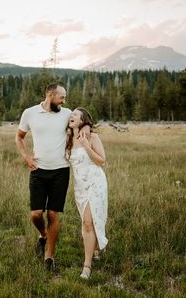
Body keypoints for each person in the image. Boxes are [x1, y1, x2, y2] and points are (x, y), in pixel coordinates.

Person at [16, 83, 89, 272]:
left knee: (53, 214)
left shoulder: (66, 114)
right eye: (61, 97)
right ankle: (43, 234)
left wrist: (85, 129)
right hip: (38, 170)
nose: (64, 101)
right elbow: (19, 137)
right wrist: (26, 157)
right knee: (35, 214)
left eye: (64, 98)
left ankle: (49, 257)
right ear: (50, 94)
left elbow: (85, 121)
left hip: (60, 171)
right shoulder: (30, 113)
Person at [66, 107, 108, 279]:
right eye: (71, 114)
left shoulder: (92, 137)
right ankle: (96, 247)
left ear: (84, 120)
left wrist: (86, 146)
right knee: (87, 221)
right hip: (80, 187)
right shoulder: (68, 139)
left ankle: (87, 266)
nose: (72, 116)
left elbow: (102, 161)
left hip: (95, 183)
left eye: (76, 114)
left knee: (88, 223)